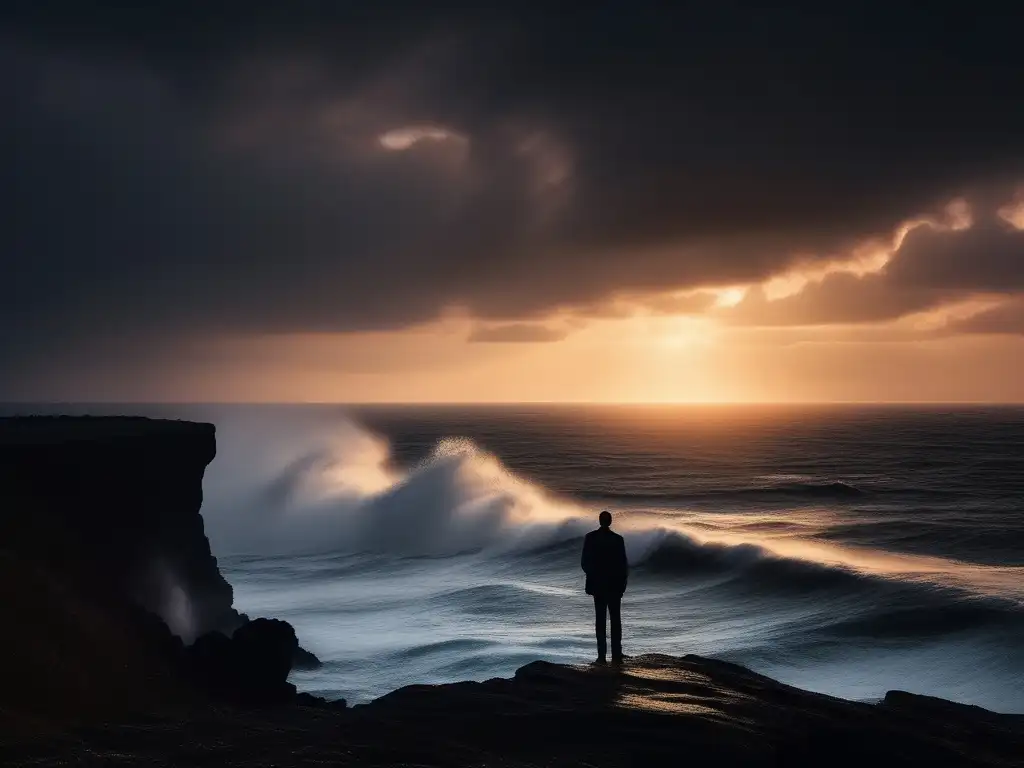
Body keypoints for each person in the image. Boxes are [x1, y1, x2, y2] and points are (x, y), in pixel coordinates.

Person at [580, 510, 628, 664]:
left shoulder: (590, 538)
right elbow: (623, 565)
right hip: (614, 586)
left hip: (598, 586)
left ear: (600, 521)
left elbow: (584, 563)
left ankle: (601, 657)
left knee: (600, 621)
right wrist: (622, 584)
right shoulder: (617, 539)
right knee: (615, 620)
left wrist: (593, 576)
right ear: (610, 521)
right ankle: (616, 654)